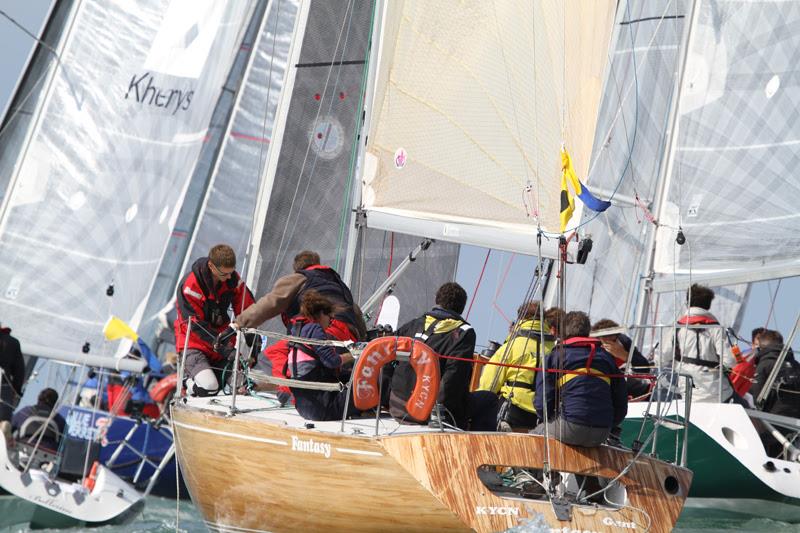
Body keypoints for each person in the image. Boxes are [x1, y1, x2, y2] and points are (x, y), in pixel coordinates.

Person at [231, 251, 366, 404]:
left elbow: (269, 303)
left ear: (297, 268)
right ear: (317, 263)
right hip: (348, 338)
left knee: (273, 354)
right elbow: (356, 314)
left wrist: (239, 323)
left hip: (323, 333)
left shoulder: (299, 278)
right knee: (308, 358)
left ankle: (290, 394)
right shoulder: (337, 283)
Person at [389, 282, 482, 429]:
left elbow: (387, 357)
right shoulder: (464, 333)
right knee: (489, 400)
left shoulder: (413, 324)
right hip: (427, 413)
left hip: (397, 407)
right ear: (461, 308)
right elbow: (454, 377)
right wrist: (435, 411)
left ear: (437, 300)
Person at [533, 311, 627, 447]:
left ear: (563, 331)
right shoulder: (606, 358)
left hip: (569, 427)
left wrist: (548, 419)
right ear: (588, 331)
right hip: (602, 432)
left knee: (534, 434)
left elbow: (543, 402)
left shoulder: (554, 356)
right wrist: (611, 424)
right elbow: (621, 400)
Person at [174, 244, 255, 396]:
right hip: (194, 344)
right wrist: (224, 347)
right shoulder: (190, 287)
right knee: (209, 387)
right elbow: (196, 326)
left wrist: (253, 337)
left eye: (231, 272)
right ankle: (189, 384)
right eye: (225, 274)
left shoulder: (232, 279)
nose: (229, 277)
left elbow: (247, 306)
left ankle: (219, 384)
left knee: (242, 386)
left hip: (221, 344)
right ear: (211, 266)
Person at [477, 301, 555, 431]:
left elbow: (489, 384)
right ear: (543, 320)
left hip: (512, 411)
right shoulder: (554, 350)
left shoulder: (511, 346)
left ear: (521, 318)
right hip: (541, 415)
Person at [286, 290, 359, 421]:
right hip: (323, 407)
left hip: (304, 408)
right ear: (320, 314)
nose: (330, 322)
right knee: (370, 383)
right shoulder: (315, 329)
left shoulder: (297, 330)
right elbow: (332, 361)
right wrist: (354, 354)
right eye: (329, 318)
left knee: (349, 377)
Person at [665, 284, 741, 404]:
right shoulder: (716, 329)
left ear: (687, 303)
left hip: (688, 392)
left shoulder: (676, 328)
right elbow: (730, 361)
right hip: (717, 393)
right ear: (708, 306)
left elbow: (662, 357)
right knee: (747, 407)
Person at [591, 319, 651, 399]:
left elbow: (645, 368)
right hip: (599, 382)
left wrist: (625, 356)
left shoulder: (624, 342)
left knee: (644, 389)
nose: (609, 340)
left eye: (612, 337)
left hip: (621, 381)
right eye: (604, 337)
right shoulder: (592, 346)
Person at [750, 330, 800, 418]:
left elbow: (757, 398)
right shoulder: (796, 365)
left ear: (761, 348)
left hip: (775, 419)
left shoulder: (764, 365)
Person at [0, 324, 25, 422]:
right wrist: (16, 390)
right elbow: (19, 370)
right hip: (4, 389)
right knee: (2, 428)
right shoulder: (13, 342)